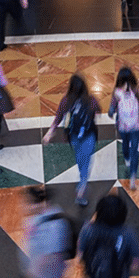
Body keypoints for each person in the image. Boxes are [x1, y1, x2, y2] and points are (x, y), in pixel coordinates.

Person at [43, 75, 101, 206]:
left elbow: (58, 118)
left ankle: (82, 181)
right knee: (86, 162)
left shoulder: (66, 101)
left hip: (73, 136)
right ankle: (82, 186)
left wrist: (49, 133)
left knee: (80, 160)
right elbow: (98, 110)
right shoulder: (90, 100)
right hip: (88, 135)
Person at [108, 67, 139, 190]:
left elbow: (111, 110)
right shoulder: (138, 90)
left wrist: (113, 113)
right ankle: (133, 178)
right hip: (135, 125)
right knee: (134, 149)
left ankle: (126, 158)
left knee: (125, 143)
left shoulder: (116, 92)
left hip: (123, 125)